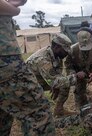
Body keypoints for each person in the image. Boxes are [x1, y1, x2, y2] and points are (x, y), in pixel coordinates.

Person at [0, 0, 55, 135]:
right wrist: (14, 9)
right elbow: (54, 81)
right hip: (6, 60)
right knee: (38, 113)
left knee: (4, 110)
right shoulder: (42, 57)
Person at [26, 33, 77, 117]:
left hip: (39, 81)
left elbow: (58, 75)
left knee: (64, 84)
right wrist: (76, 77)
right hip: (28, 86)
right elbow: (55, 81)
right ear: (57, 47)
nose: (67, 53)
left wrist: (57, 85)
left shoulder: (56, 55)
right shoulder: (42, 59)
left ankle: (59, 110)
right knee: (40, 114)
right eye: (65, 50)